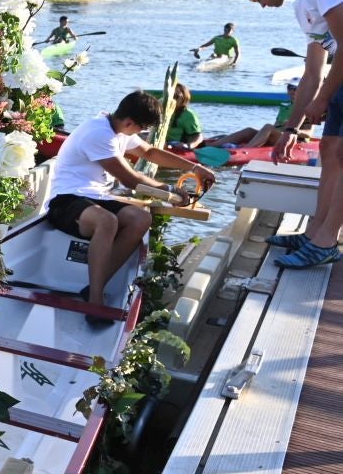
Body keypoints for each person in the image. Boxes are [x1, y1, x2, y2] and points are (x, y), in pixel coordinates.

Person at [44, 90, 215, 325]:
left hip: (96, 199)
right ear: (129, 122)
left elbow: (150, 152)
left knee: (140, 219)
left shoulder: (118, 126)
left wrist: (195, 168)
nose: (141, 134)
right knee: (108, 221)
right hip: (65, 200)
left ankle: (94, 287)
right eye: (142, 129)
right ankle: (94, 302)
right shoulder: (98, 134)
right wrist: (172, 191)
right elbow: (131, 180)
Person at [236, 0, 343, 268]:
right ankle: (314, 234)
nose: (258, 4)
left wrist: (322, 99)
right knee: (329, 149)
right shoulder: (304, 7)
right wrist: (291, 130)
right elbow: (313, 73)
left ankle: (326, 241)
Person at [200, 82, 308, 149]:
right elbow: (277, 127)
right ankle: (210, 146)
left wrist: (293, 129)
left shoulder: (307, 108)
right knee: (249, 130)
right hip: (280, 137)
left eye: (295, 88)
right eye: (290, 87)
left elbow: (309, 134)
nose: (292, 91)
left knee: (268, 127)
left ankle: (247, 149)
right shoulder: (285, 106)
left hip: (294, 141)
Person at [166, 83, 204, 148]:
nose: (173, 99)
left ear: (184, 97)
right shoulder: (164, 111)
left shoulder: (188, 115)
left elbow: (198, 136)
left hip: (177, 145)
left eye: (176, 96)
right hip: (164, 143)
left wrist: (189, 145)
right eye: (171, 95)